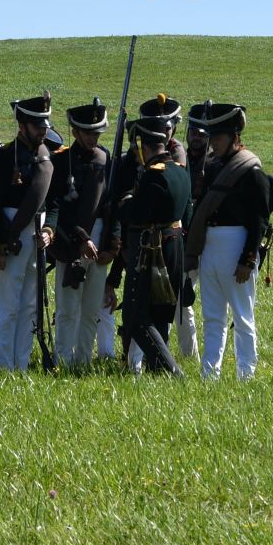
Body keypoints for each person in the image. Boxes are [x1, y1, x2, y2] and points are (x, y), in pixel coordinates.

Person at [186, 100, 270, 381]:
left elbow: (259, 220)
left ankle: (246, 372)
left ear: (235, 137)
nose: (213, 143)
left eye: (219, 137)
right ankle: (210, 372)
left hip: (237, 245)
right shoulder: (211, 167)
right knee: (212, 316)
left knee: (243, 317)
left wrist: (247, 258)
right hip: (211, 246)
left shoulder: (250, 171)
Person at [0, 93, 54, 371]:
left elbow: (51, 203)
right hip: (11, 235)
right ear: (22, 126)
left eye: (45, 124)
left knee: (30, 306)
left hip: (36, 237)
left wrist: (48, 230)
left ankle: (21, 363)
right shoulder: (4, 158)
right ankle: (4, 364)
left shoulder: (45, 157)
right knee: (8, 306)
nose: (44, 130)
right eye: (38, 126)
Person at [113, 115, 192, 374]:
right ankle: (156, 372)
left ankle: (170, 371)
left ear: (143, 145)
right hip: (173, 248)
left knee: (136, 317)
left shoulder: (153, 176)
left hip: (153, 251)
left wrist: (123, 199)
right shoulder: (180, 171)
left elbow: (137, 215)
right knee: (159, 315)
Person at [50, 99, 112, 368]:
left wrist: (112, 244)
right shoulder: (61, 162)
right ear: (75, 132)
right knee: (66, 310)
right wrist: (80, 239)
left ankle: (83, 361)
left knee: (90, 311)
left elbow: (110, 207)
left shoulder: (105, 158)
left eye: (97, 133)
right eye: (89, 133)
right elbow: (55, 208)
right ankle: (63, 361)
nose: (93, 138)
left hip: (97, 241)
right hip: (69, 242)